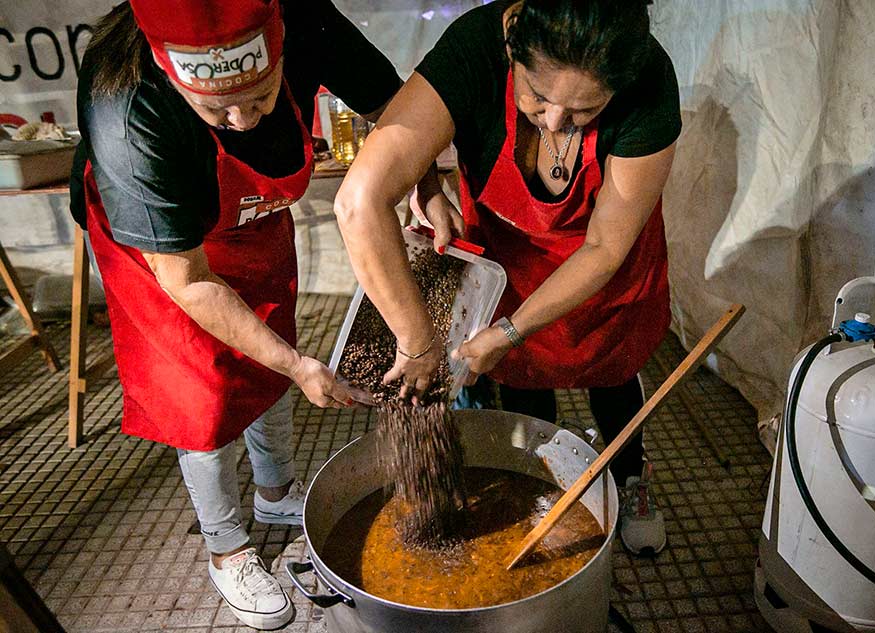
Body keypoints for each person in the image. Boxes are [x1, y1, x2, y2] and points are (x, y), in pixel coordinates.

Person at [68, 0, 401, 628]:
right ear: (173, 77)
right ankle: (226, 546)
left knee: (272, 340)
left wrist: (423, 184)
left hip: (250, 223)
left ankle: (277, 495)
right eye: (216, 108)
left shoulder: (299, 14)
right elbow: (188, 280)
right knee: (204, 391)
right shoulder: (127, 107)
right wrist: (299, 365)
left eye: (263, 92)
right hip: (164, 253)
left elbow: (392, 105)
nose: (244, 121)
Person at [334, 0, 680, 555]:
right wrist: (425, 191)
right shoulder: (473, 49)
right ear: (514, 49)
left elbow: (605, 245)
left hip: (600, 268)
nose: (554, 122)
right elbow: (359, 201)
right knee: (523, 373)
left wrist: (513, 328)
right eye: (538, 98)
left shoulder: (649, 80)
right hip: (508, 257)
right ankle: (543, 475)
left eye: (585, 110)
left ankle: (630, 476)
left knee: (610, 363)